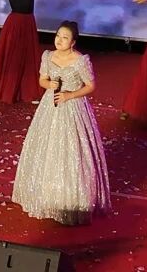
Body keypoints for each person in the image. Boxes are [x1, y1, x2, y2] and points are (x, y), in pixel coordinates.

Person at [11, 21, 112, 225]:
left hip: (73, 107)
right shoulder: (48, 56)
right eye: (58, 35)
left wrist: (69, 95)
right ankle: (44, 195)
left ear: (73, 42)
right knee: (46, 148)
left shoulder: (80, 61)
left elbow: (91, 86)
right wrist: (49, 84)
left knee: (72, 151)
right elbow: (42, 80)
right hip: (50, 106)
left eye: (65, 37)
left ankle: (71, 198)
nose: (59, 40)